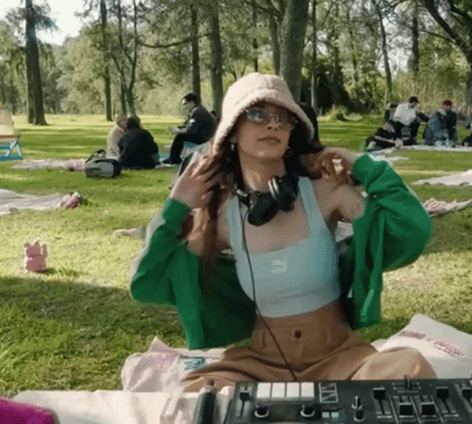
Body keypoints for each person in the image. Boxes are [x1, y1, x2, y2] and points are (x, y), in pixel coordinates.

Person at [129, 73, 436, 394]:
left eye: (283, 118)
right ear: (231, 131)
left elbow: (415, 228)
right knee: (200, 396)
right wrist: (176, 205)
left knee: (410, 369)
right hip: (262, 364)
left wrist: (363, 167)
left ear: (293, 133)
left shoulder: (326, 193)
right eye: (257, 114)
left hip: (339, 357)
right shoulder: (222, 217)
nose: (273, 125)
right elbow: (146, 285)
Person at [164, 92, 217, 165]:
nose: (184, 107)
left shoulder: (197, 112)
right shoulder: (200, 110)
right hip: (206, 135)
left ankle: (174, 159)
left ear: (192, 102)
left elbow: (191, 130)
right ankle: (173, 158)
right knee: (180, 135)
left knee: (180, 136)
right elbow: (192, 126)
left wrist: (177, 131)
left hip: (204, 138)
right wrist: (180, 128)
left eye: (185, 104)